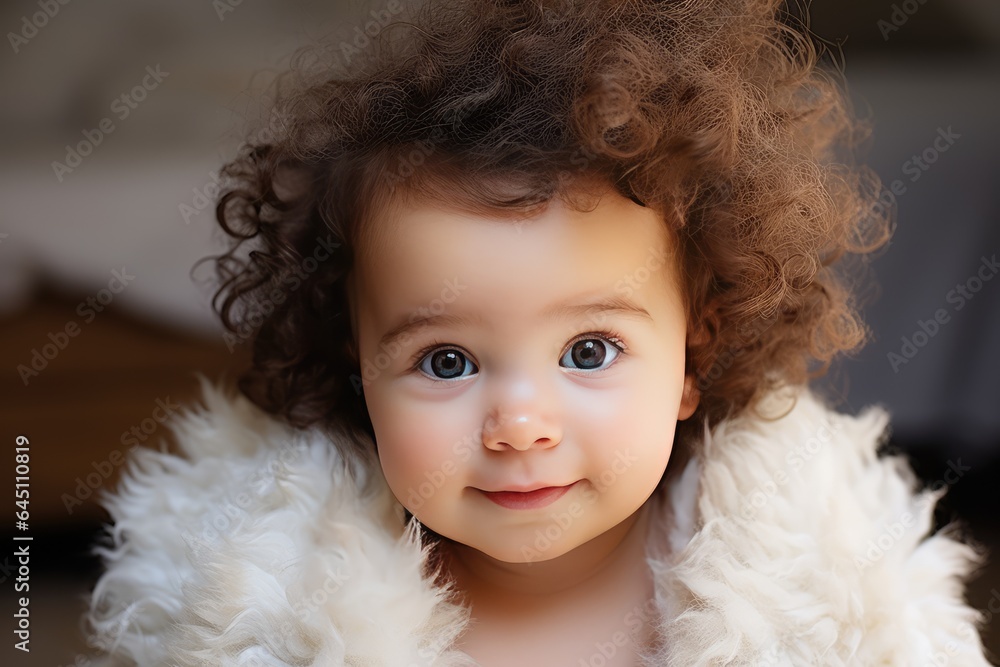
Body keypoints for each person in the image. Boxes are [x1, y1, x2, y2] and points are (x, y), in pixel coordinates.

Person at [83, 0, 995, 664]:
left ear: (694, 355)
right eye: (447, 360)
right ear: (356, 365)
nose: (519, 423)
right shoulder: (272, 608)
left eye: (588, 351)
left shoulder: (826, 597)